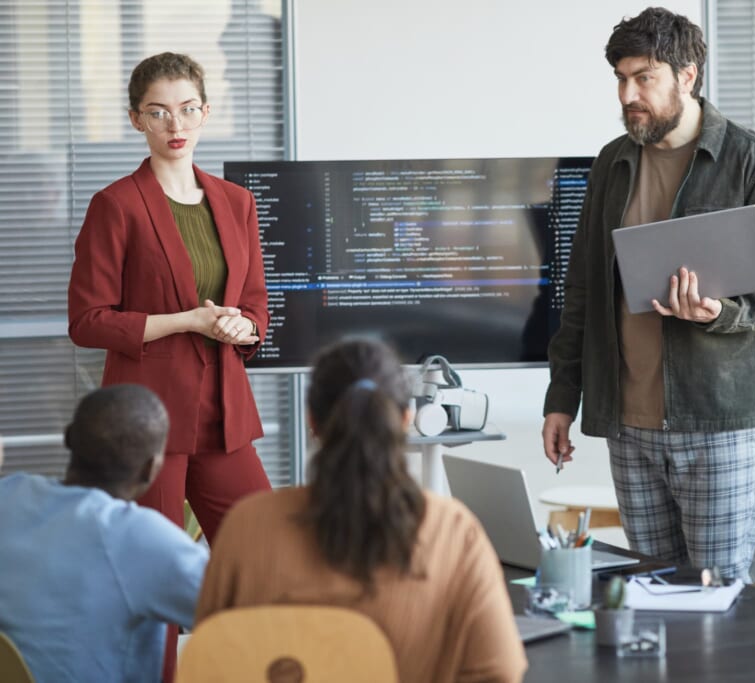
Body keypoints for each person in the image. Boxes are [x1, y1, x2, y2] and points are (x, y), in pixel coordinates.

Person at [542, 7, 755, 580]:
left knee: (715, 598)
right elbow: (582, 289)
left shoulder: (752, 162)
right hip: (627, 425)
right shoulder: (613, 162)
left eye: (644, 77)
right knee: (650, 592)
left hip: (717, 421)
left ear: (687, 76)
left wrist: (722, 313)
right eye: (620, 78)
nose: (627, 94)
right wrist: (562, 397)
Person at [67, 52, 271, 680]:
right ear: (136, 120)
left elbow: (256, 309)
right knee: (150, 585)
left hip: (225, 415)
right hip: (149, 424)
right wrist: (186, 320)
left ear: (205, 113)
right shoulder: (117, 204)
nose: (174, 124)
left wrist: (242, 328)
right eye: (157, 112)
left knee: (264, 558)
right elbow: (88, 321)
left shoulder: (236, 202)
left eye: (186, 109)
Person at [195, 338, 527, 683]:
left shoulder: (249, 525)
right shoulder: (453, 531)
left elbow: (212, 663)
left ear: (311, 420)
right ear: (405, 419)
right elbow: (499, 672)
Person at [0, 385, 208, 682]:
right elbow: (250, 615)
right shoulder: (139, 538)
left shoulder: (9, 496)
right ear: (151, 468)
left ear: (69, 439)